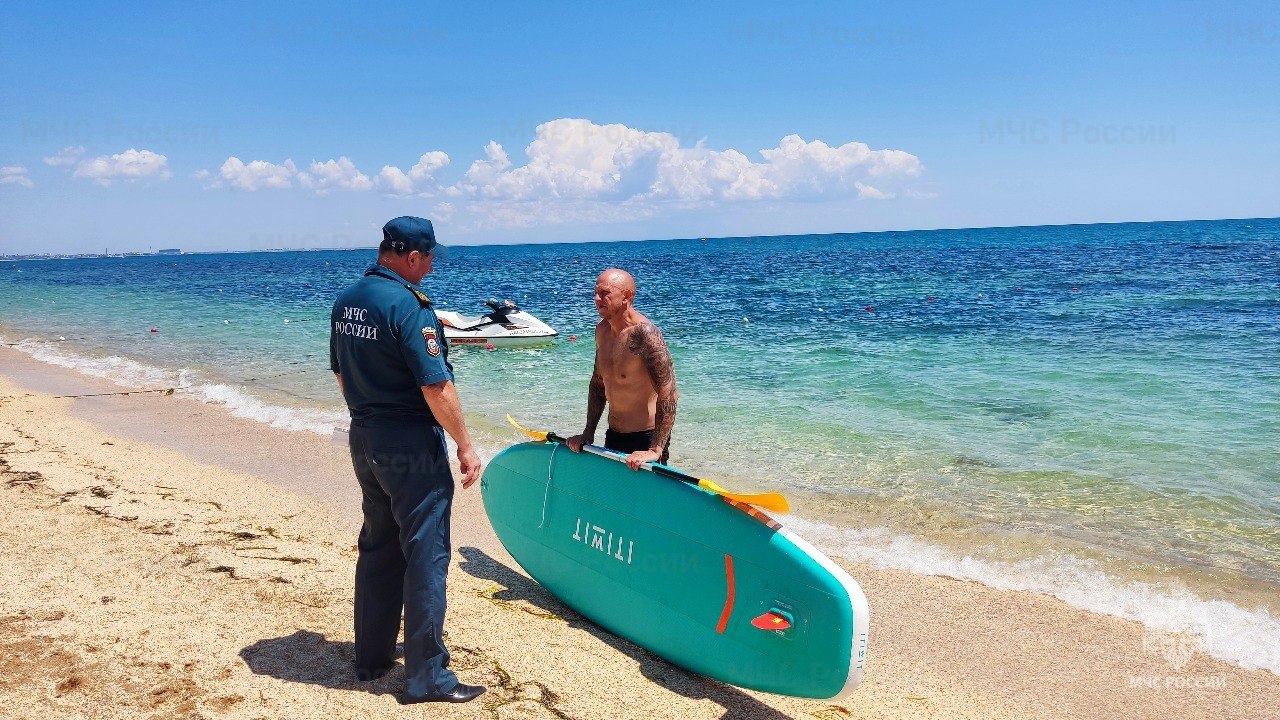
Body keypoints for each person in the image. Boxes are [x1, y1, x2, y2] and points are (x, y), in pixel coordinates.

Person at [329, 216, 485, 705]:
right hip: (409, 445)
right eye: (431, 256)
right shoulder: (410, 306)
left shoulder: (347, 299)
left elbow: (339, 374)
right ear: (412, 257)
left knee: (379, 544)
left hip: (365, 437)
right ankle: (429, 679)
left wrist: (368, 414)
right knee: (426, 552)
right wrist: (464, 443)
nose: (434, 264)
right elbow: (436, 387)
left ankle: (372, 657)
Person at [566, 269, 678, 469]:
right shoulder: (602, 331)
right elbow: (598, 384)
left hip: (646, 440)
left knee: (645, 500)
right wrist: (588, 432)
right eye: (595, 293)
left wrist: (656, 449)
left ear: (626, 296)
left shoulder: (645, 334)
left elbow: (669, 393)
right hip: (614, 436)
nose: (596, 298)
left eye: (604, 293)